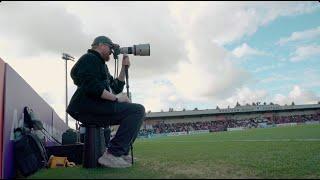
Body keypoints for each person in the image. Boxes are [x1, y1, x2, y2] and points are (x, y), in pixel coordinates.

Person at [66, 36, 145, 168]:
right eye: (110, 47)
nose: (111, 51)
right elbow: (89, 85)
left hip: (96, 107)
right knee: (137, 110)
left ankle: (120, 153)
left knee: (136, 111)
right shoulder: (89, 58)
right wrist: (116, 98)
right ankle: (113, 154)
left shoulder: (102, 65)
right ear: (101, 45)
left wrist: (123, 69)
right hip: (86, 107)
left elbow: (115, 88)